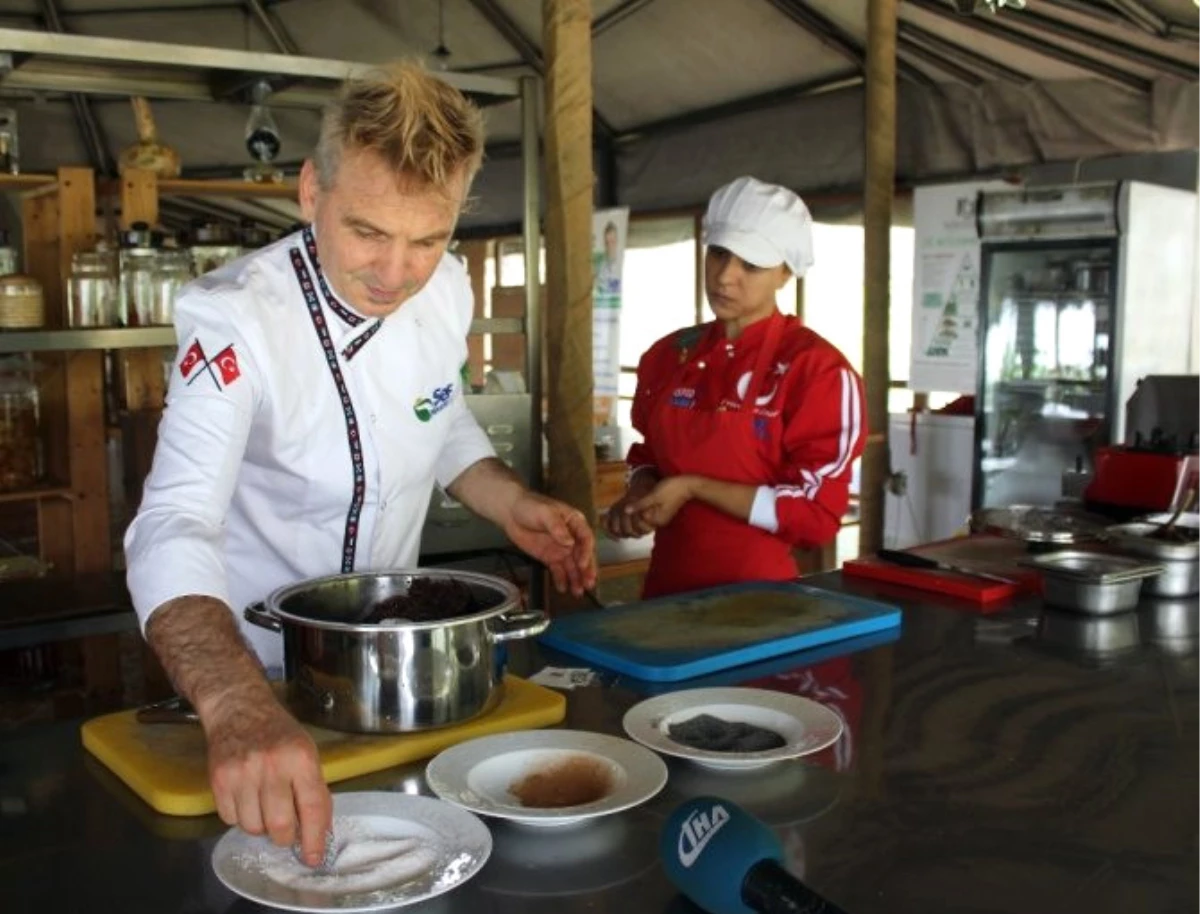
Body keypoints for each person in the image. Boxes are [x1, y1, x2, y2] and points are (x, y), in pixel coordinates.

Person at [124, 62, 595, 866]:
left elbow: (436, 417)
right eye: (368, 231)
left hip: (394, 676)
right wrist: (237, 706)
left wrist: (505, 500)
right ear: (312, 192)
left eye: (427, 238)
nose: (394, 272)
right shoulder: (234, 317)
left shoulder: (445, 289)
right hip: (254, 680)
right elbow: (172, 520)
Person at [605, 176, 865, 598]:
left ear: (785, 272)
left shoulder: (815, 371)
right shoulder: (668, 356)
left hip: (760, 606)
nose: (726, 276)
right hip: (664, 600)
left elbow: (813, 515)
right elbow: (648, 453)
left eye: (751, 264)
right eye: (720, 254)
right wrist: (640, 491)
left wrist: (694, 487)